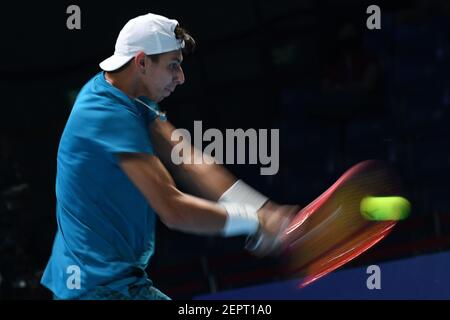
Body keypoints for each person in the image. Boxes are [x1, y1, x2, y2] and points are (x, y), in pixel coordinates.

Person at [41, 13, 297, 300]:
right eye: (173, 66)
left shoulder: (128, 95)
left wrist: (263, 209)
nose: (181, 78)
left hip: (110, 283)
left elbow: (188, 161)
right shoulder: (106, 114)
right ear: (141, 62)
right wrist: (255, 221)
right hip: (97, 290)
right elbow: (173, 210)